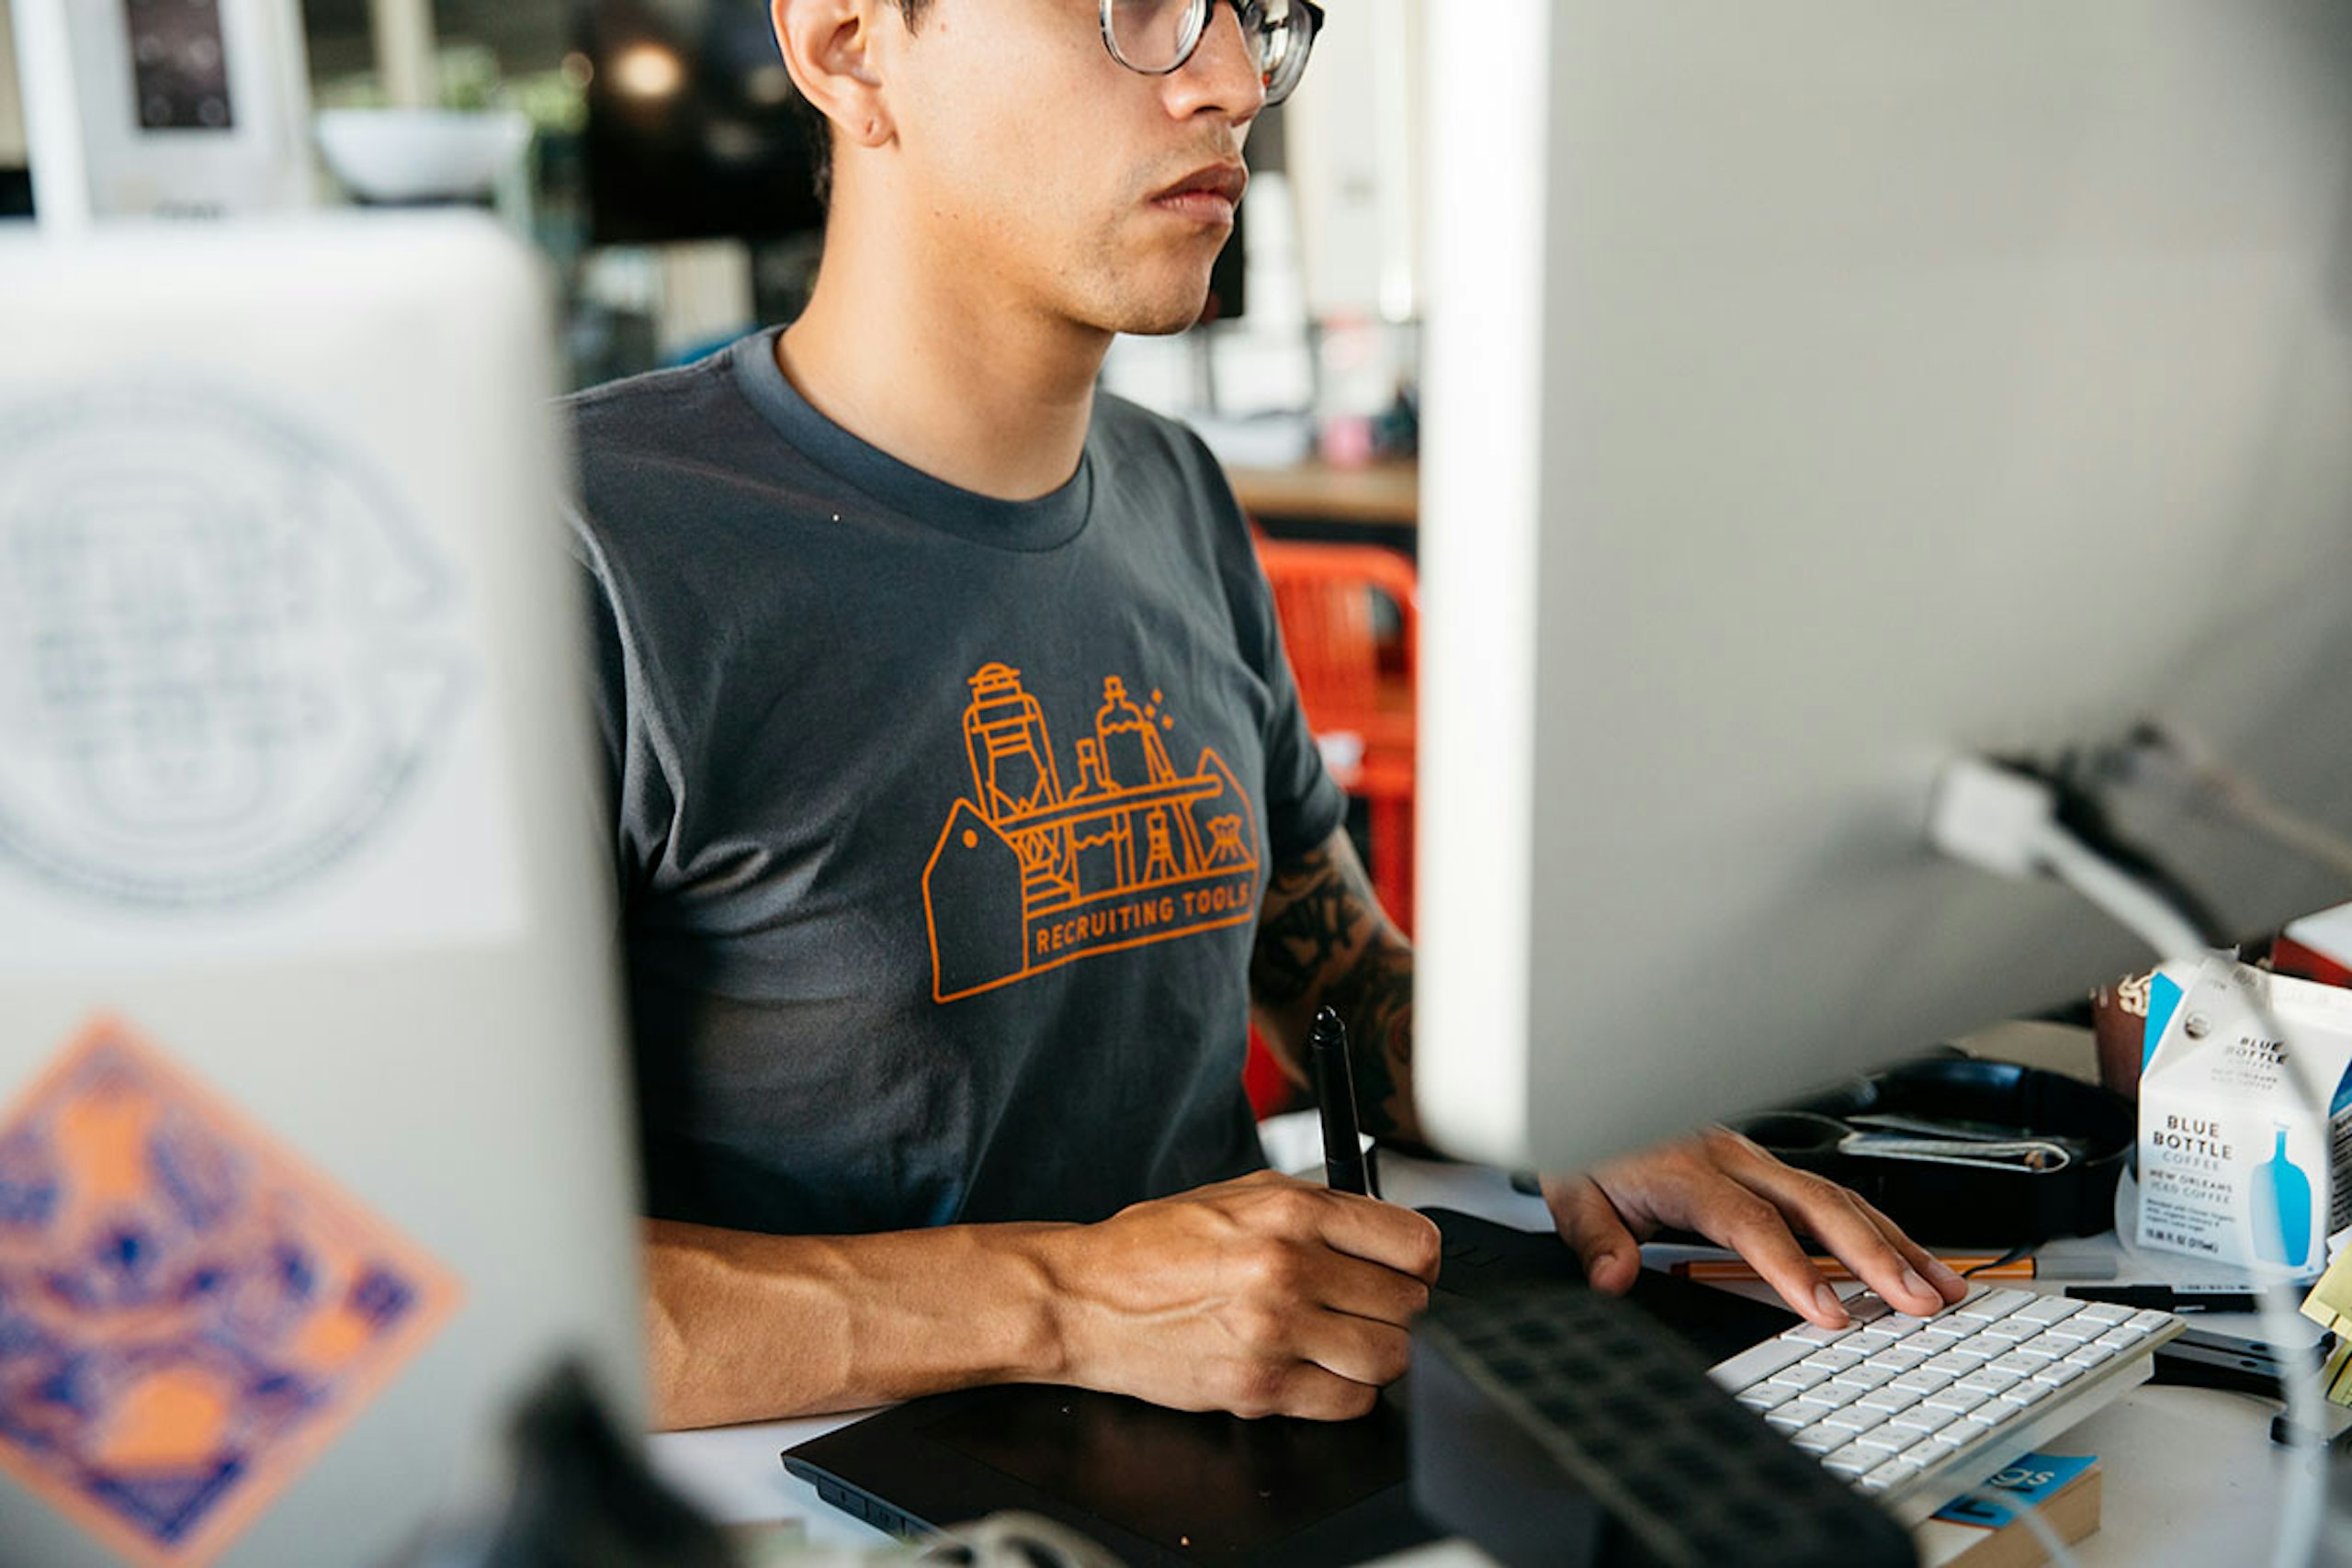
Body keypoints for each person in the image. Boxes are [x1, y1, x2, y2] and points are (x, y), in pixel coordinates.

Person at [564, 0, 1966, 1432]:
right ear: (850, 44)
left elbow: (1331, 972)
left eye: (1255, 17)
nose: (1231, 85)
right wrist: (1068, 1302)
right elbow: (418, 1268)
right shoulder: (577, 546)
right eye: (1133, 10)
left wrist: (1569, 1112)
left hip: (1247, 1446)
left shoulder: (1171, 490)